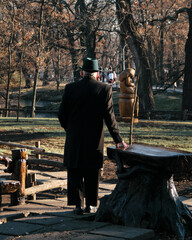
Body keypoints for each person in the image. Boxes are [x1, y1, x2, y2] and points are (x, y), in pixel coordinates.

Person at [58, 57, 128, 215]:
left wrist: (69, 128)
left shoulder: (70, 88)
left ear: (82, 72)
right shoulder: (104, 89)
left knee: (75, 170)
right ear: (97, 73)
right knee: (92, 171)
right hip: (94, 138)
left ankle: (76, 205)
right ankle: (90, 204)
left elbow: (61, 114)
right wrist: (119, 140)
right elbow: (110, 118)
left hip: (74, 137)